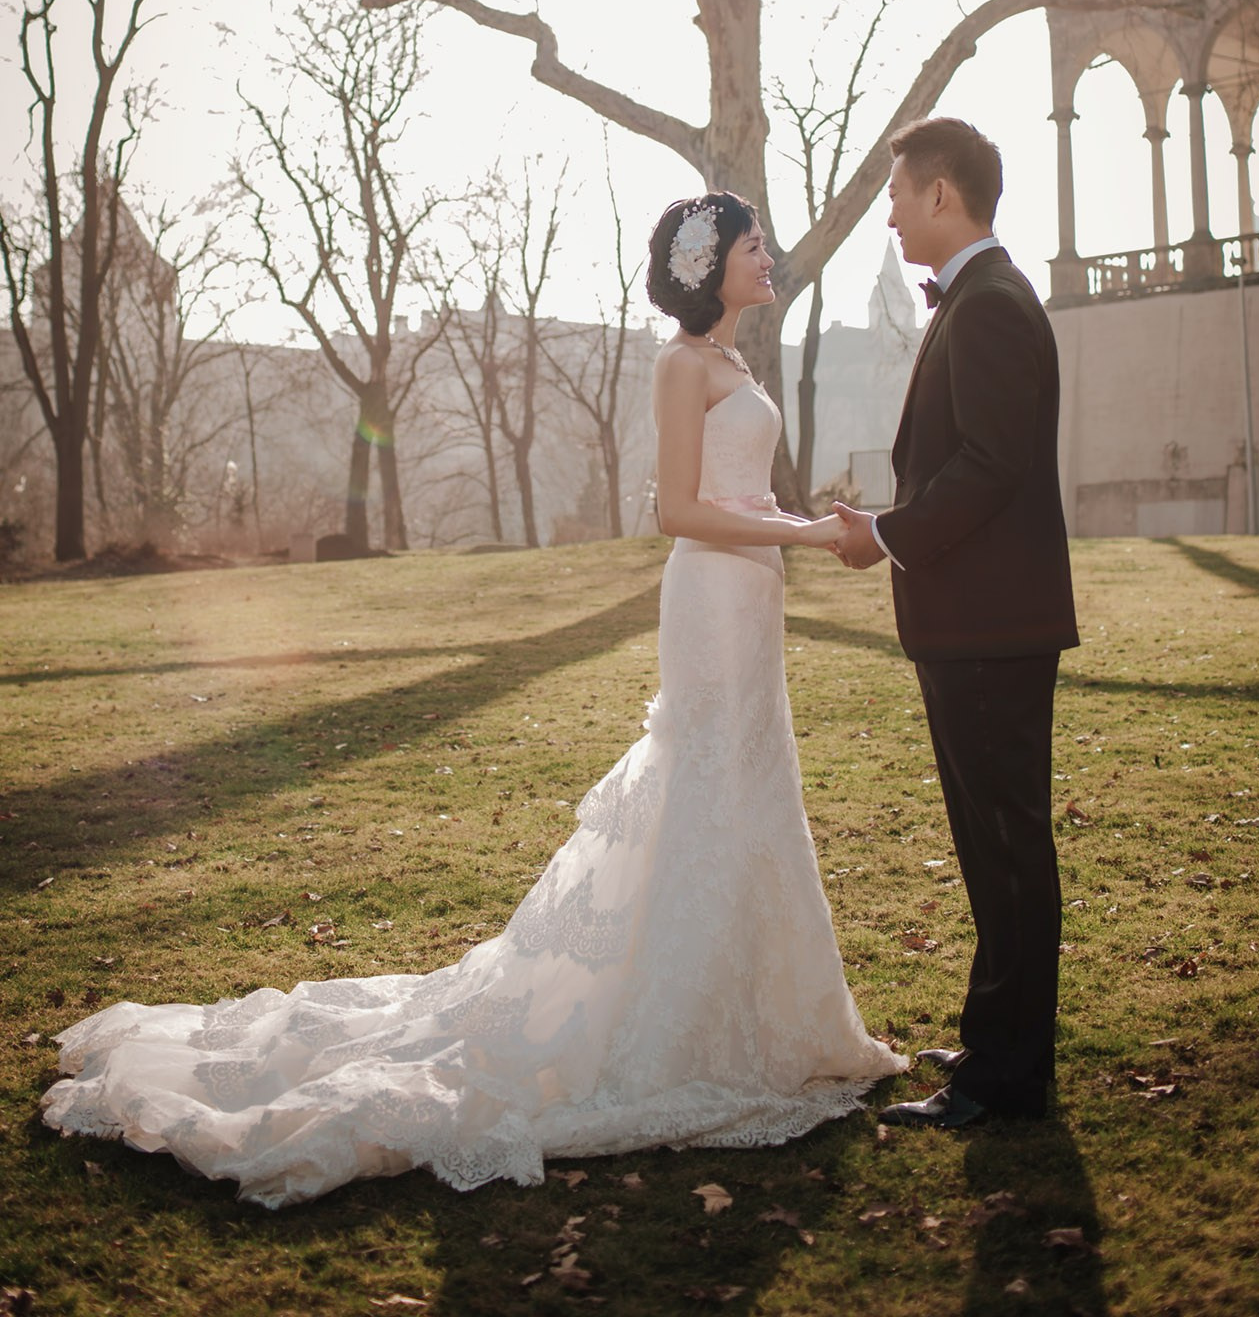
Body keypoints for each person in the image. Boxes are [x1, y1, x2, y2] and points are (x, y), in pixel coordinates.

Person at [41, 190, 906, 1208]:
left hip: (751, 594)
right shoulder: (679, 363)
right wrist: (807, 536)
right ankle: (678, 1022)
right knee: (705, 778)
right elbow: (675, 506)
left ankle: (776, 1015)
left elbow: (740, 496)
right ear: (704, 261)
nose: (768, 255)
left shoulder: (737, 365)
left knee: (753, 782)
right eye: (752, 243)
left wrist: (809, 526)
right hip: (711, 598)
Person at [832, 117, 1078, 1129]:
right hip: (969, 623)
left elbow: (989, 464)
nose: (886, 211)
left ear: (941, 195)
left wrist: (883, 533)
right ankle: (995, 1038)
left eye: (896, 193)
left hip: (989, 626)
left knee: (1009, 846)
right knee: (989, 844)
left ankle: (1004, 1077)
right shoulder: (975, 299)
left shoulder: (989, 305)